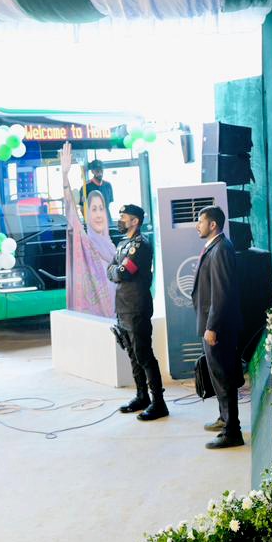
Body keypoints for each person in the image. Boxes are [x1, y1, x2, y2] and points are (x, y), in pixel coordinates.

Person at [107, 204, 167, 421]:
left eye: (124, 217)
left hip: (136, 307)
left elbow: (123, 272)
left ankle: (158, 403)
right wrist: (116, 270)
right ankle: (142, 396)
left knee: (143, 354)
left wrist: (116, 270)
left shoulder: (140, 245)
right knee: (132, 354)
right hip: (123, 307)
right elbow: (110, 270)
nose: (120, 220)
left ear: (135, 221)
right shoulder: (123, 243)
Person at [192, 205, 244, 449]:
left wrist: (212, 326)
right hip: (214, 323)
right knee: (218, 375)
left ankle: (232, 432)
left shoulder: (221, 249)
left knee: (224, 377)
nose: (197, 226)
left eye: (200, 221)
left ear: (213, 224)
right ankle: (225, 418)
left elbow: (221, 293)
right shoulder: (215, 246)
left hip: (219, 326)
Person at [60, 143, 116, 318]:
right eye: (93, 209)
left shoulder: (113, 247)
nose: (98, 214)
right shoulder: (86, 243)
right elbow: (71, 207)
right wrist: (64, 175)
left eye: (101, 208)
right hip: (97, 322)